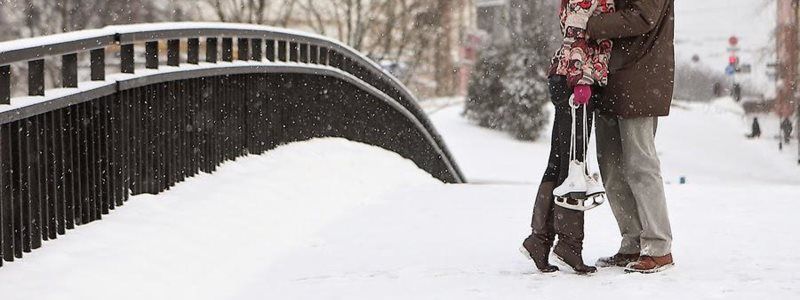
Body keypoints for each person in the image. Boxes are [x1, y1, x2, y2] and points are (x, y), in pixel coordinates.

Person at [521, 0, 614, 275]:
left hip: (568, 78)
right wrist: (581, 78)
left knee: (561, 161)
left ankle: (539, 240)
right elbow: (574, 32)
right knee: (574, 166)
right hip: (577, 82)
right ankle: (569, 245)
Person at [586, 0, 676, 273]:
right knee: (611, 167)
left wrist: (591, 24)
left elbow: (642, 16)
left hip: (640, 77)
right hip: (610, 77)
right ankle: (633, 242)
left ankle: (658, 248)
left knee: (640, 164)